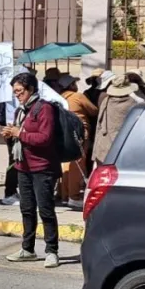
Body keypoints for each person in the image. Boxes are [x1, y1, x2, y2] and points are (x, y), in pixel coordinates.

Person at [1, 72, 61, 269]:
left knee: (46, 210)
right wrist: (11, 134)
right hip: (23, 167)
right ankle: (28, 249)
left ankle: (52, 251)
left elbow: (45, 138)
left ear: (31, 89)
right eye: (15, 92)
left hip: (43, 168)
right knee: (26, 209)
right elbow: (22, 136)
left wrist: (20, 133)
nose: (17, 95)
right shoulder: (21, 111)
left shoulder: (44, 109)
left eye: (19, 91)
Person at [56, 75, 98, 209]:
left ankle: (64, 195)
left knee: (66, 164)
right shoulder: (78, 96)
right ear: (71, 85)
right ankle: (74, 196)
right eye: (74, 83)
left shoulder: (58, 98)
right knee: (77, 163)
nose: (76, 85)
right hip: (79, 132)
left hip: (64, 133)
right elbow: (93, 110)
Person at [92, 75, 139, 168]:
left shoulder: (106, 100)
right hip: (124, 148)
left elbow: (99, 125)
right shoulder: (133, 103)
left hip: (104, 148)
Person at [0, 102, 19, 206]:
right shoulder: (15, 93)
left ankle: (11, 192)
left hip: (12, 127)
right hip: (13, 128)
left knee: (16, 161)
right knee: (14, 161)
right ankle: (9, 193)